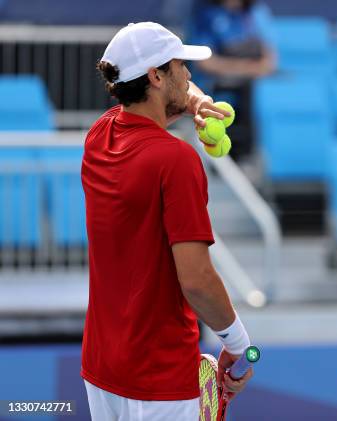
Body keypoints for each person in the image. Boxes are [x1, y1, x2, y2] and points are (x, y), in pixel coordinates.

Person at [81, 22, 253, 420]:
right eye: (180, 66)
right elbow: (197, 280)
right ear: (156, 76)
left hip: (102, 368)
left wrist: (195, 102)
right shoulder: (175, 160)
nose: (190, 75)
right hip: (159, 377)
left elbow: (160, 106)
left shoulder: (99, 134)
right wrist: (238, 342)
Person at [189, 0, 276, 159]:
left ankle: (251, 155)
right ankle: (242, 154)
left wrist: (252, 69)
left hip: (249, 81)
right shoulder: (205, 16)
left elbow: (269, 62)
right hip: (218, 83)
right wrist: (242, 68)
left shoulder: (254, 14)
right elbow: (205, 63)